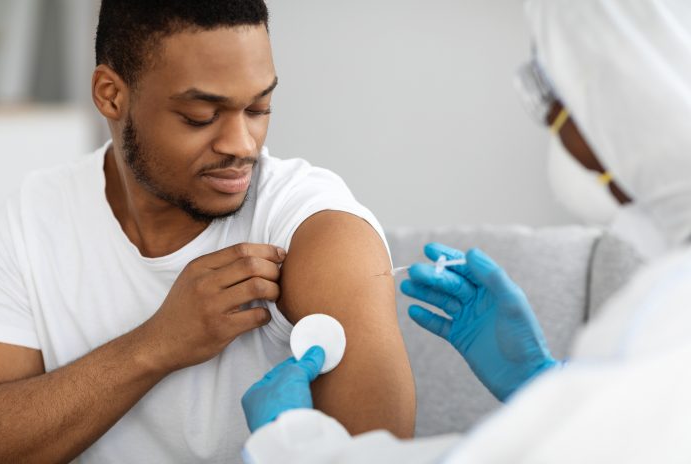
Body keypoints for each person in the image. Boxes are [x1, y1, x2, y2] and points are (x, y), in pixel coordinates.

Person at [240, 0, 691, 462]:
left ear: (636, 94)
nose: (552, 120)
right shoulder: (669, 292)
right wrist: (543, 379)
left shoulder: (665, 312)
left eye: (550, 93)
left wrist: (291, 445)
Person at [0, 1, 416, 462]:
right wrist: (154, 346)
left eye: (259, 108)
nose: (241, 145)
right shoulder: (31, 218)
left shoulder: (312, 224)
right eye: (201, 115)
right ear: (111, 94)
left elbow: (379, 456)